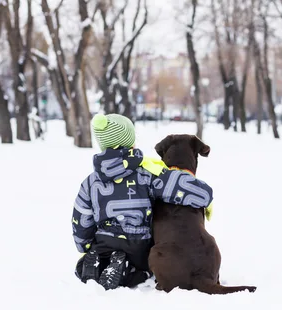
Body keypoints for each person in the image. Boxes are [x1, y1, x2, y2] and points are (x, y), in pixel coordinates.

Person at [72, 113, 214, 290]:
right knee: (143, 268)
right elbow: (181, 186)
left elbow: (81, 220)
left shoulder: (90, 182)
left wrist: (84, 245)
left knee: (85, 262)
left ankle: (94, 267)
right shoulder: (147, 174)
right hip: (138, 243)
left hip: (105, 240)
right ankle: (127, 271)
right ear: (131, 143)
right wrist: (205, 194)